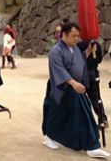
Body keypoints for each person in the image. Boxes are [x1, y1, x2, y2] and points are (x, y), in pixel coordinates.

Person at [42, 22, 110, 158]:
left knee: (59, 117)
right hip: (61, 88)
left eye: (78, 36)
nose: (77, 39)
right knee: (83, 113)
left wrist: (89, 51)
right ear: (64, 35)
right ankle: (91, 145)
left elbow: (79, 61)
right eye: (74, 36)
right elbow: (58, 69)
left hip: (74, 87)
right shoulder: (56, 51)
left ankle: (49, 135)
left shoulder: (74, 49)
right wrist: (73, 83)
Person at [77, 40, 108, 128]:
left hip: (83, 75)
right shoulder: (96, 44)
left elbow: (77, 60)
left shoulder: (79, 45)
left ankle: (85, 122)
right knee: (96, 98)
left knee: (82, 100)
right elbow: (99, 60)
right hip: (94, 74)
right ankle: (103, 119)